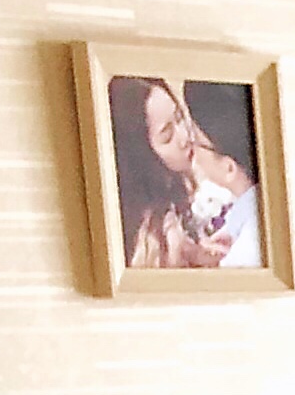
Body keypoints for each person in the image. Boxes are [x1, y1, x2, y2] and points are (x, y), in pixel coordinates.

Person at [110, 75, 259, 270]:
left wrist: (199, 254)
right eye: (167, 136)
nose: (185, 137)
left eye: (180, 118)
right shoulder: (151, 236)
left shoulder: (191, 188)